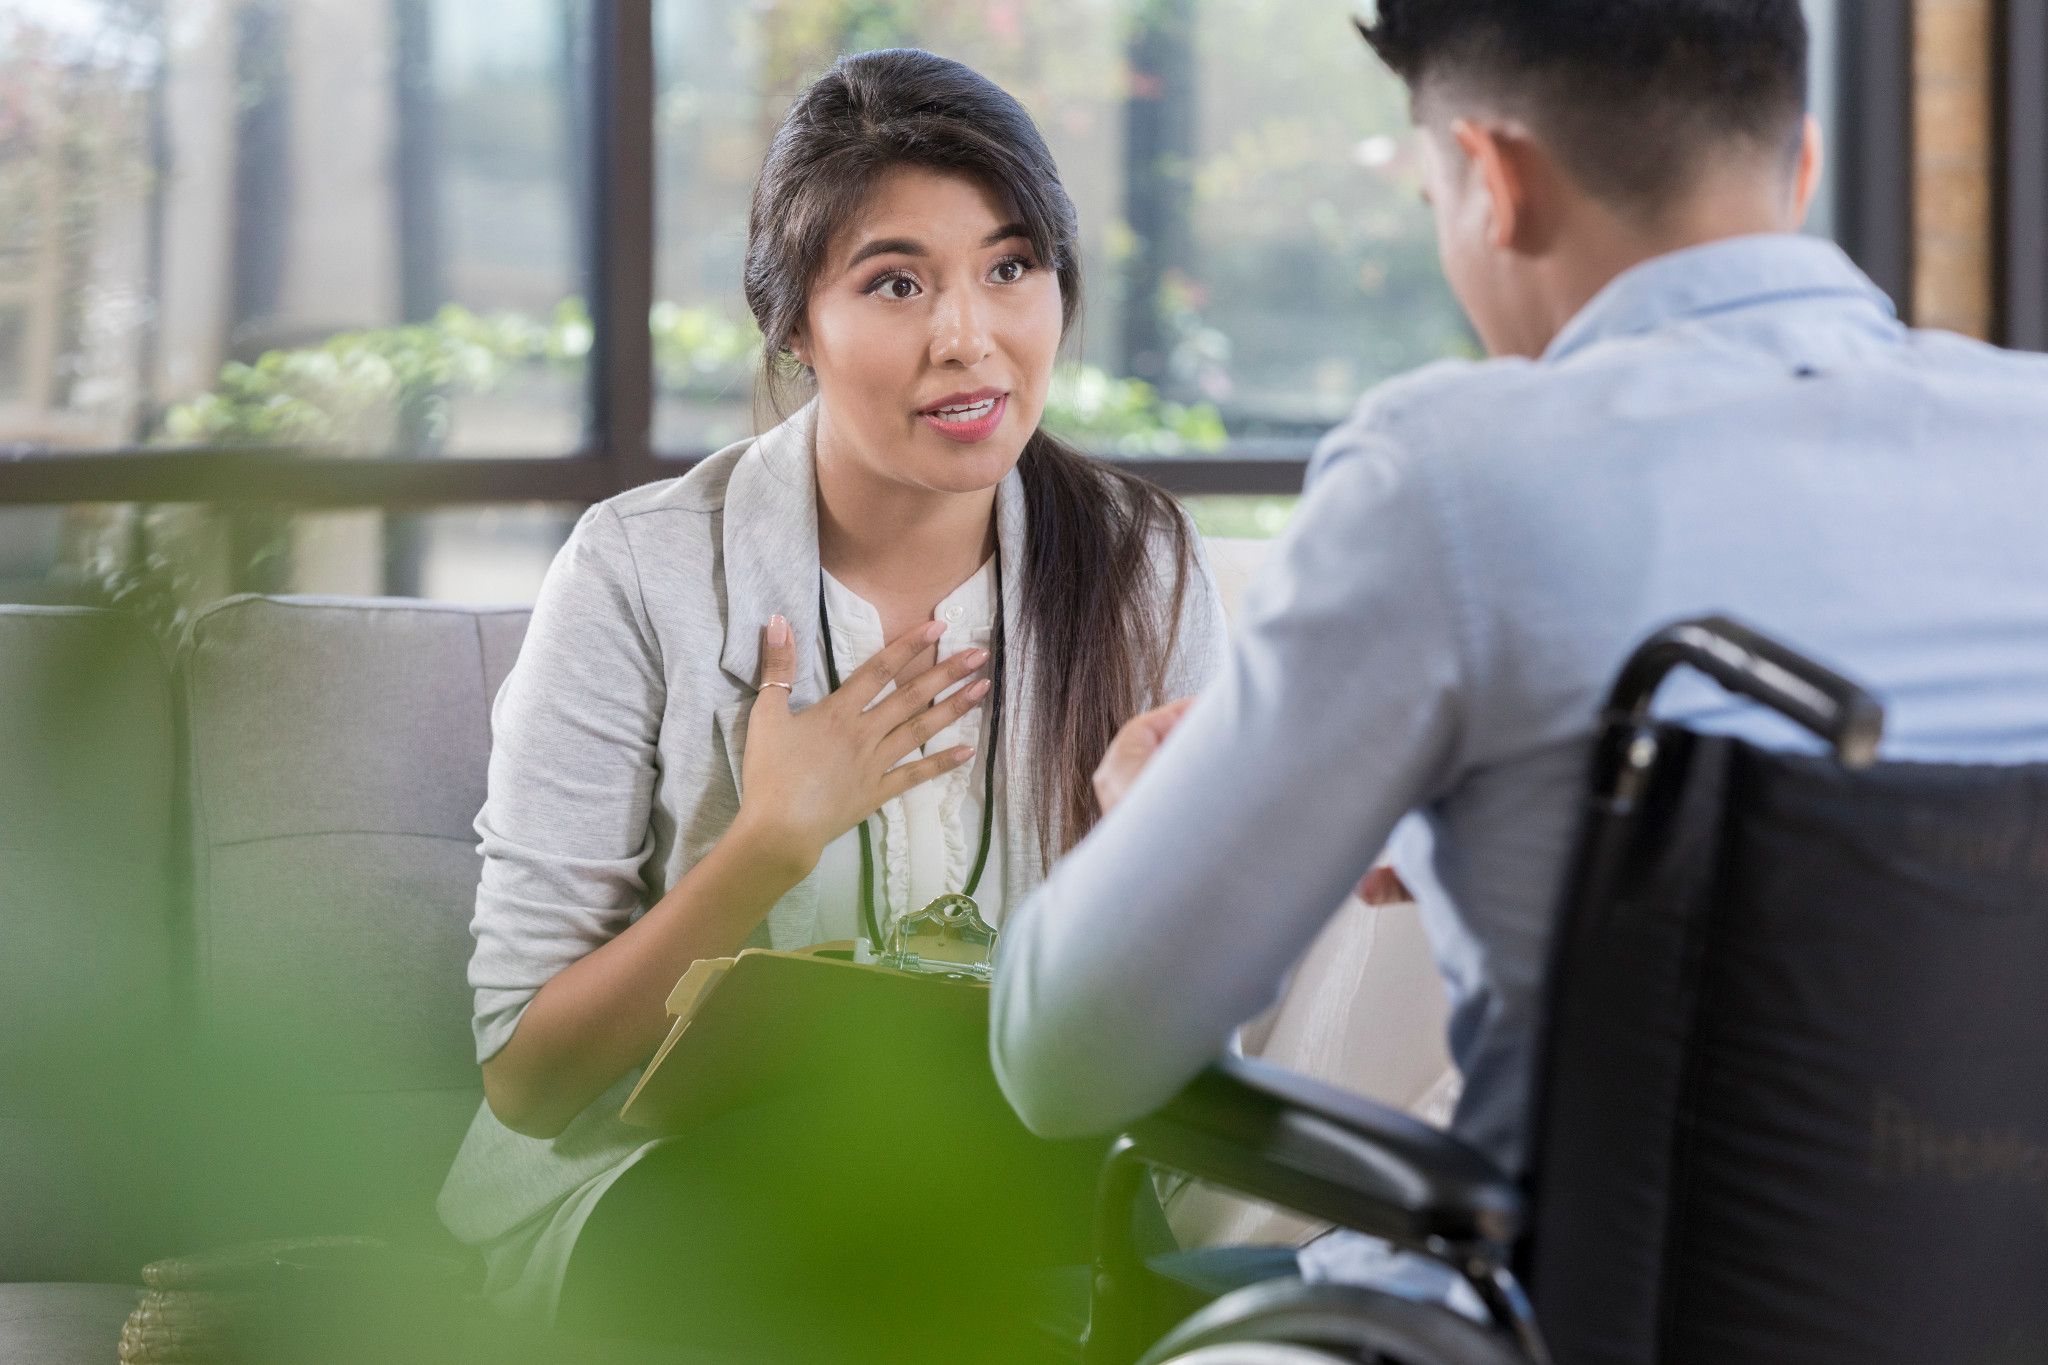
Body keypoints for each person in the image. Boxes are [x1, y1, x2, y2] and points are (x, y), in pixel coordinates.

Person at [992, 0, 2048, 1298]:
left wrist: (1145, 816)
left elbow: (1064, 1060)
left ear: (1492, 182)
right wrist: (1479, 844)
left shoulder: (1450, 482)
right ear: (1807, 161)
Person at [434, 47, 1226, 1354]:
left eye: (1011, 267)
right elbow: (528, 1078)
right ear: (795, 324)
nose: (970, 335)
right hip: (669, 1205)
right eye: (897, 282)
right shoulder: (637, 570)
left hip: (1017, 1201)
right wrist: (764, 847)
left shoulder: (1142, 568)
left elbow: (1203, 1049)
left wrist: (1161, 877)